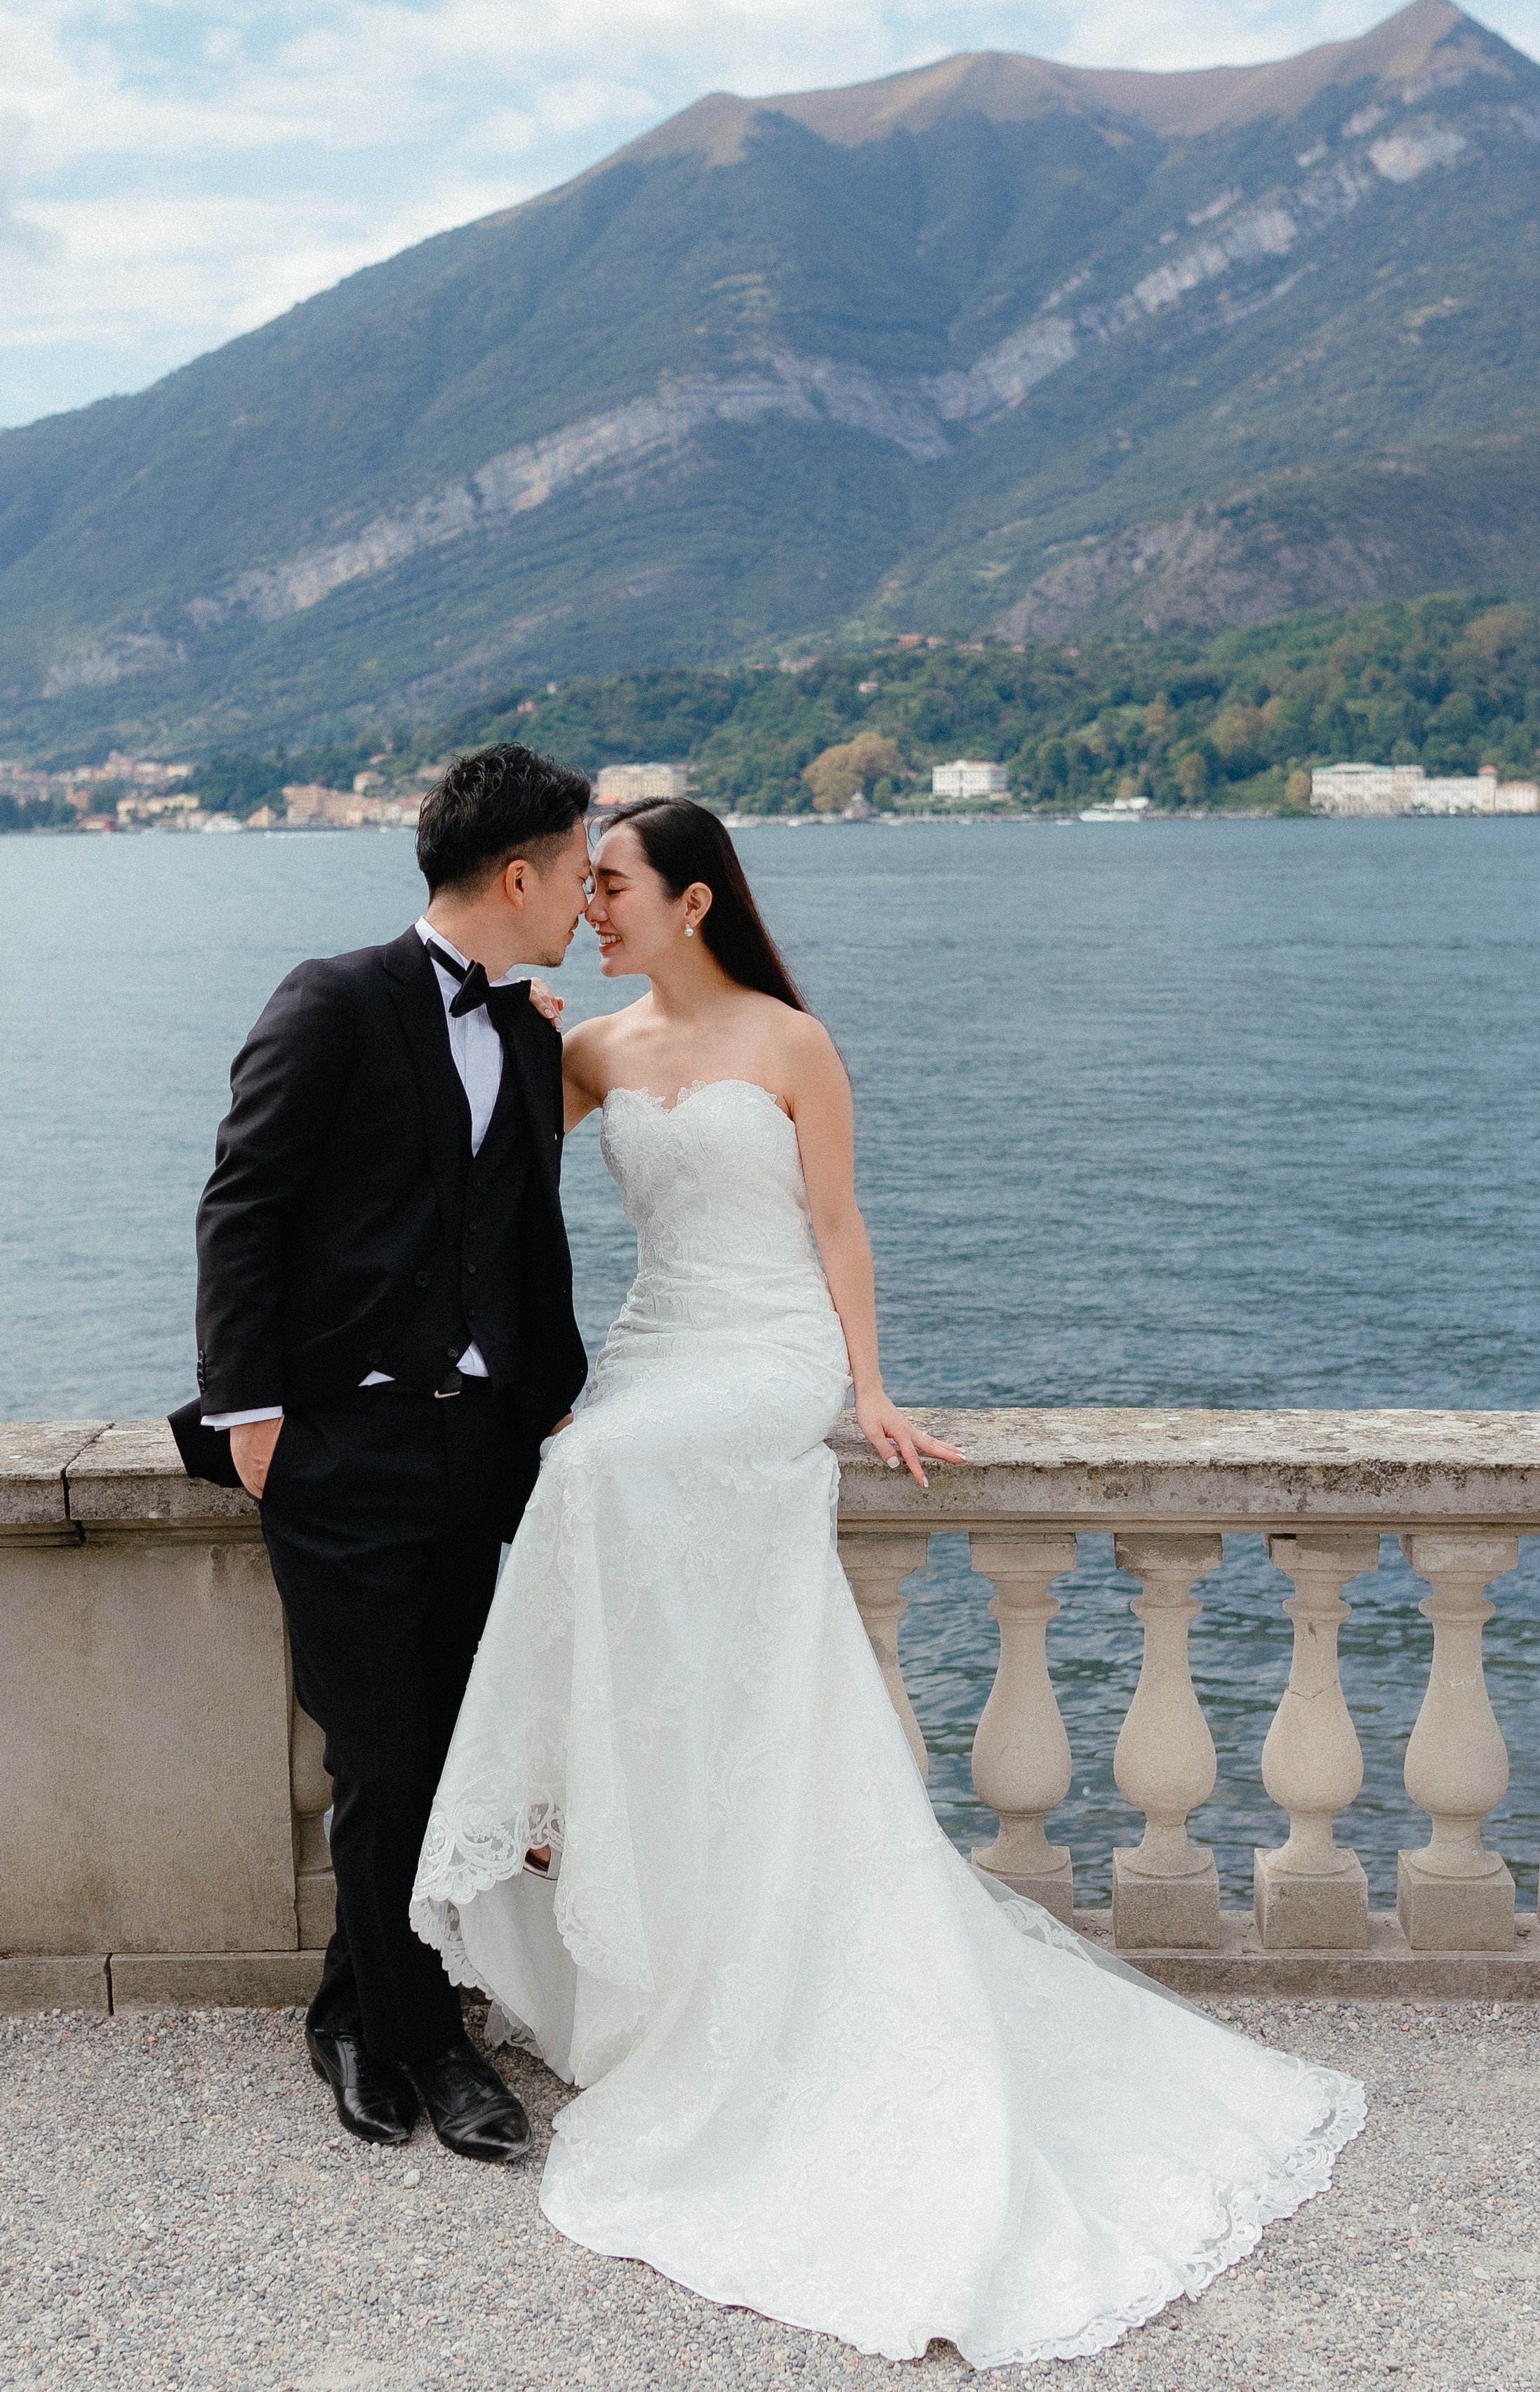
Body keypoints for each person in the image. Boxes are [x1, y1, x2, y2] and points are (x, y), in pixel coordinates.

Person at [412, 798, 1365, 2368]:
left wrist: (866, 1388)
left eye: (612, 886)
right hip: (656, 1350)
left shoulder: (793, 1043)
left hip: (768, 1353)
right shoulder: (584, 1053)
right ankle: (612, 1850)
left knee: (590, 1478)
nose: (589, 906)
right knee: (584, 1469)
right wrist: (516, 1044)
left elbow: (839, 1225)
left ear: (694, 899)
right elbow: (490, 1196)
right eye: (580, 887)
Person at [170, 745, 591, 2162]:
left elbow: (518, 1231)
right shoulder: (334, 998)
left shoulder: (531, 1032)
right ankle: (425, 2043)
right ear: (519, 873)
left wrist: (551, 1393)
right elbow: (245, 1205)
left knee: (449, 1755)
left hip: (483, 1451)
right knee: (381, 1750)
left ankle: (353, 2012)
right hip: (338, 1448)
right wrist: (253, 1419)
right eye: (581, 870)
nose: (588, 898)